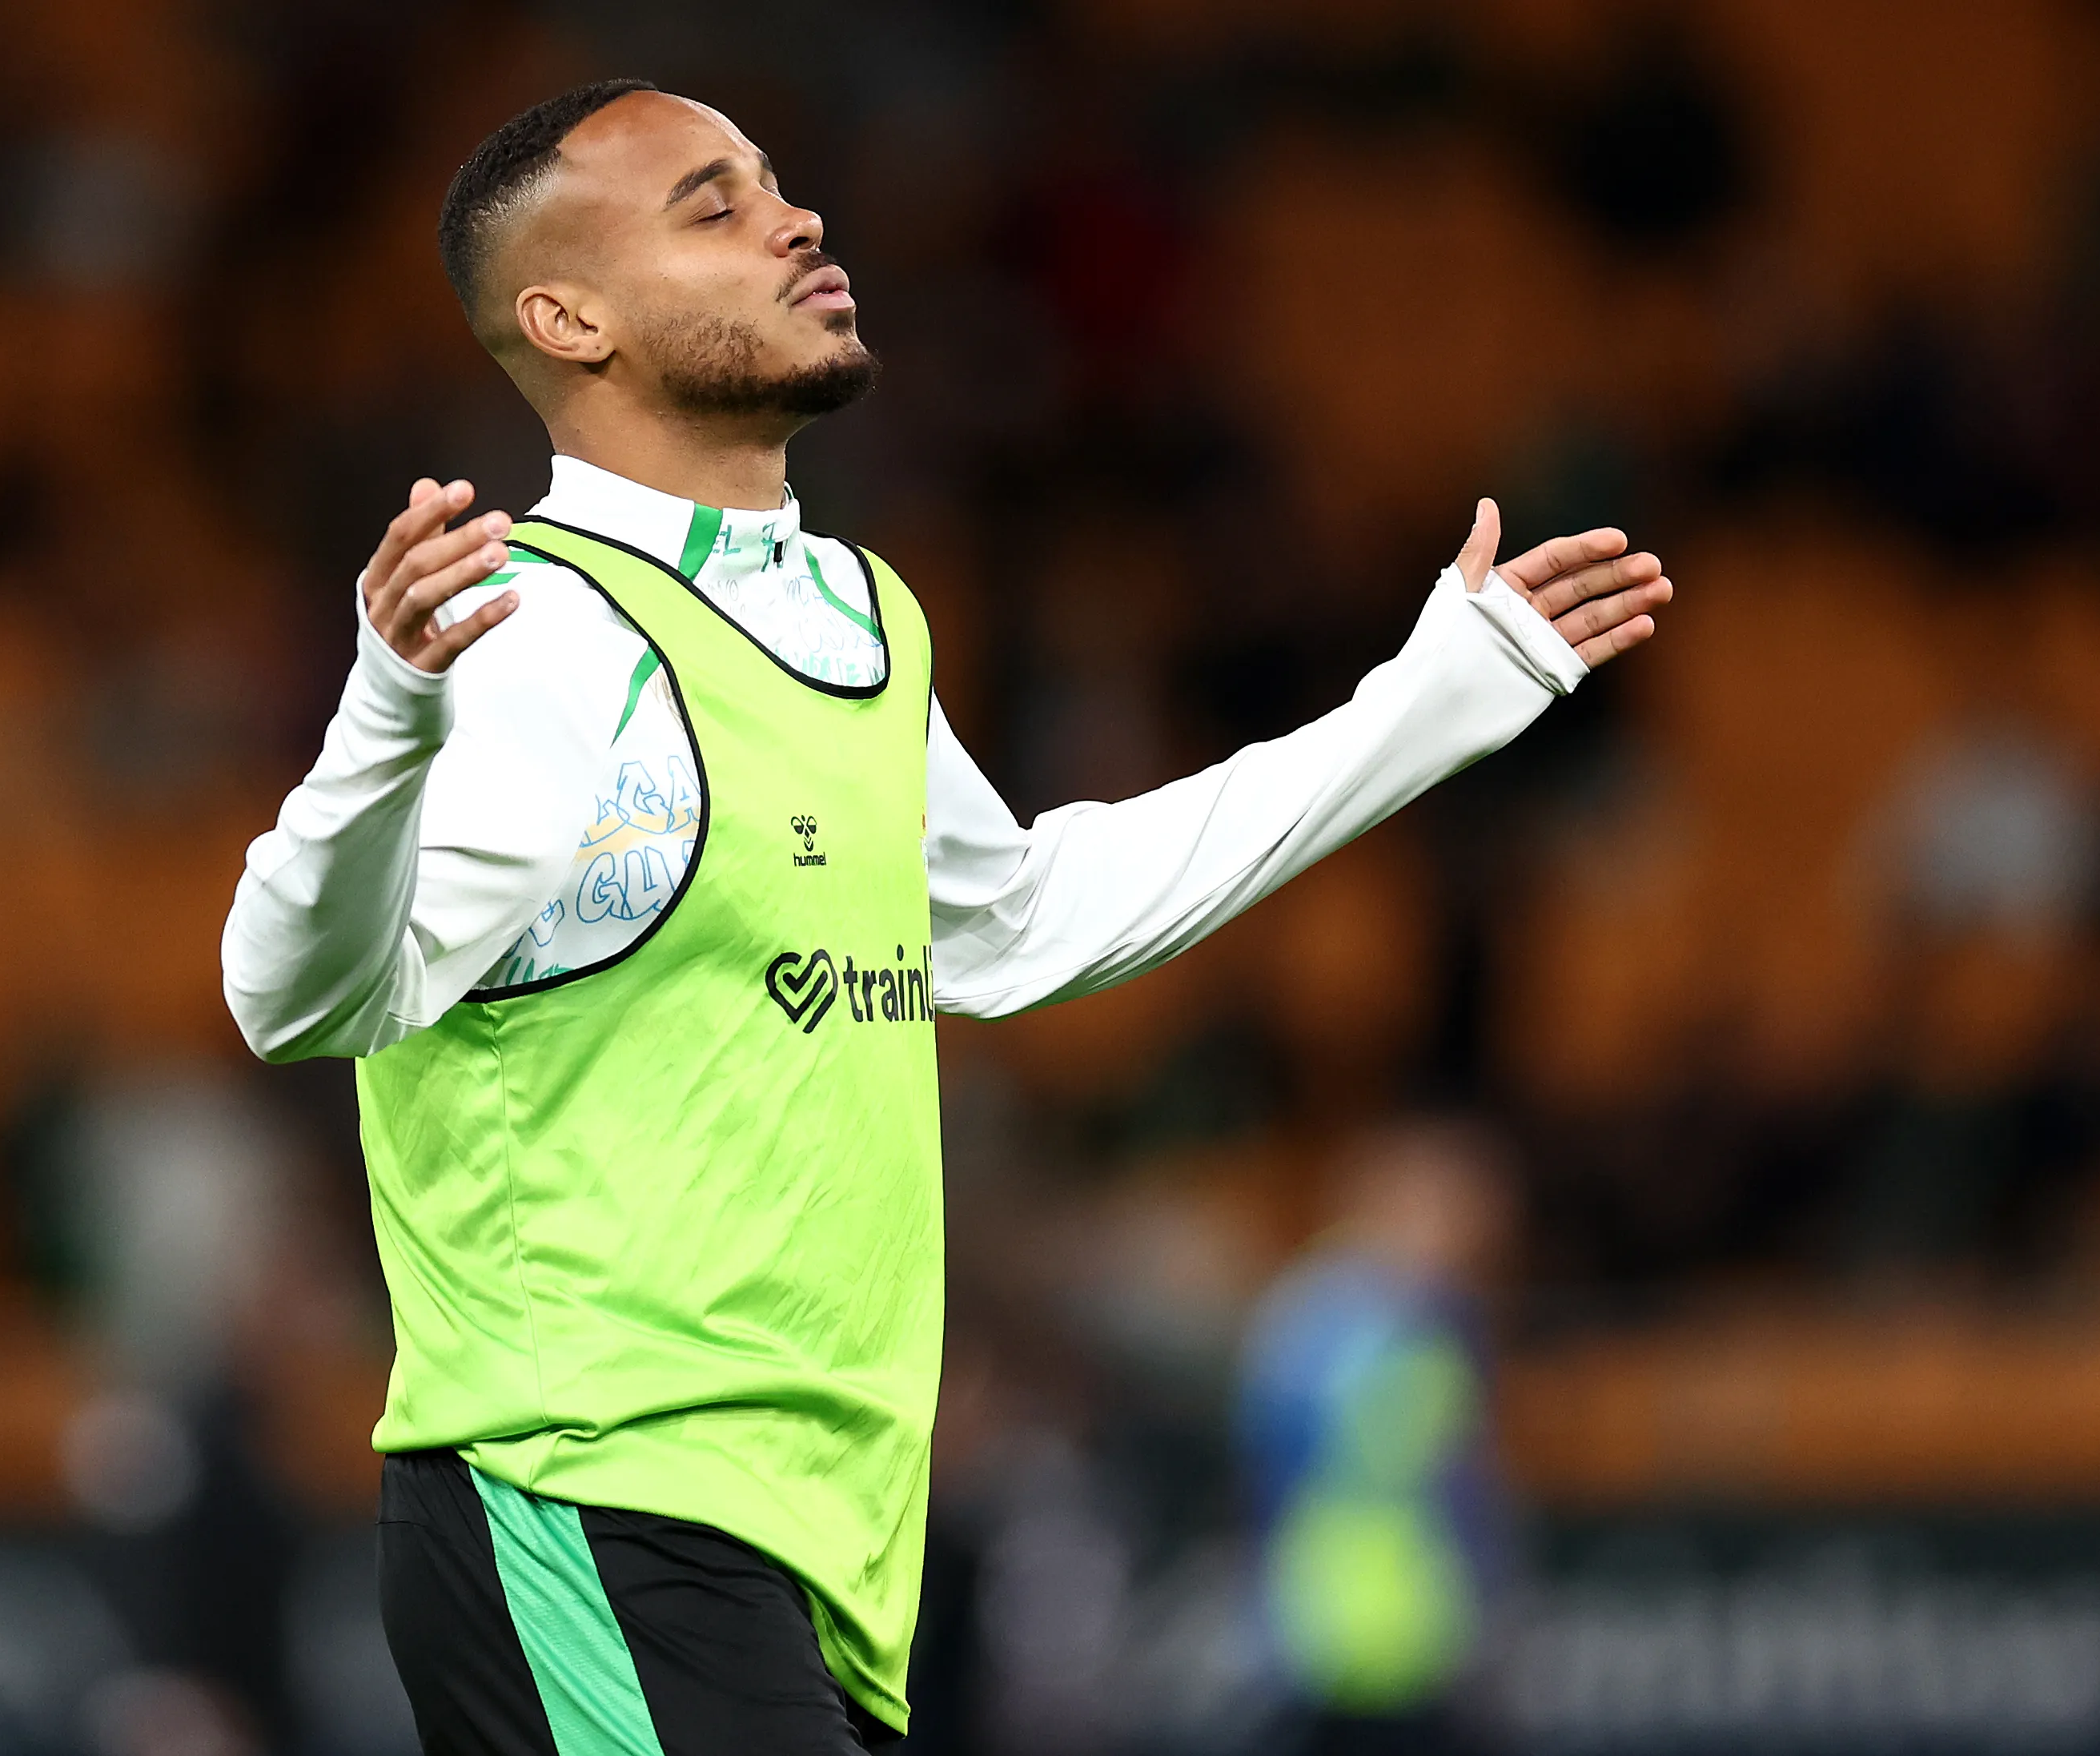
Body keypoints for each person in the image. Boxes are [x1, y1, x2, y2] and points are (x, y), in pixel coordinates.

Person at [219, 77, 1670, 1755]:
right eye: (713, 203)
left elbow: (1026, 922)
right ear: (568, 315)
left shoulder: (856, 612)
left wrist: (1433, 699)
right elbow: (290, 991)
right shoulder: (535, 635)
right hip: (591, 1501)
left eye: (777, 182)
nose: (796, 219)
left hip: (822, 1544)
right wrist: (388, 708)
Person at [1236, 1123, 1521, 1756]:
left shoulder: (1301, 1312)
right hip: (1376, 1631)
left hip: (1344, 1626)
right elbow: (1457, 1482)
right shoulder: (1405, 1324)